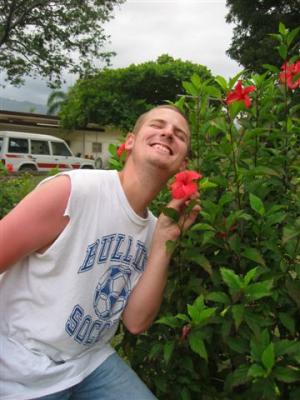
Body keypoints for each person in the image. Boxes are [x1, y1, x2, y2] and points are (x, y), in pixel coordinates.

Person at [0, 105, 200, 400]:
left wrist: (164, 239)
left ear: (182, 164)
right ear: (129, 141)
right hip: (20, 365)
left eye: (179, 134)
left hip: (87, 361)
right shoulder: (74, 192)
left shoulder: (155, 229)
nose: (168, 132)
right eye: (157, 125)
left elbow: (135, 322)